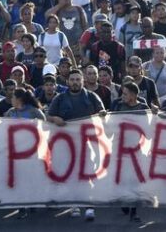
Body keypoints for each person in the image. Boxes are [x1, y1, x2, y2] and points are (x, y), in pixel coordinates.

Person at [45, 68, 103, 220]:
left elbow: (103, 113)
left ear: (82, 81)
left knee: (87, 175)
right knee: (71, 175)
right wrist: (54, 119)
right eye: (72, 80)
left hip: (87, 143)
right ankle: (74, 205)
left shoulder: (92, 96)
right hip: (66, 144)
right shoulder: (59, 99)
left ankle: (89, 206)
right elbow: (48, 116)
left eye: (78, 80)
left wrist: (102, 114)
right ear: (67, 81)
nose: (75, 82)